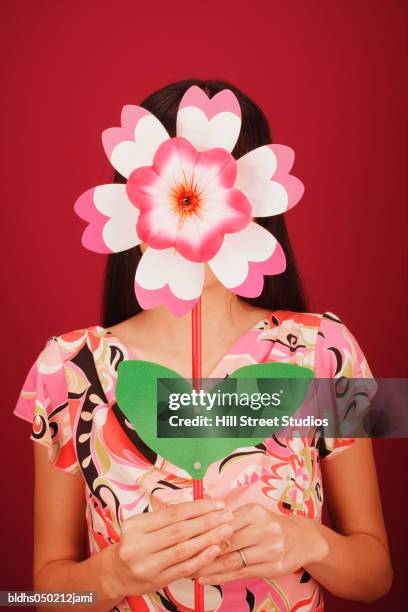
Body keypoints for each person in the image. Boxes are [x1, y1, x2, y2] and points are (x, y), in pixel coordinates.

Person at [14, 79, 393, 611]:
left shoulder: (325, 351)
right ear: (131, 207)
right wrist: (112, 573)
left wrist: (313, 541)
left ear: (260, 205)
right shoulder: (67, 370)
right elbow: (42, 598)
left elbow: (377, 577)